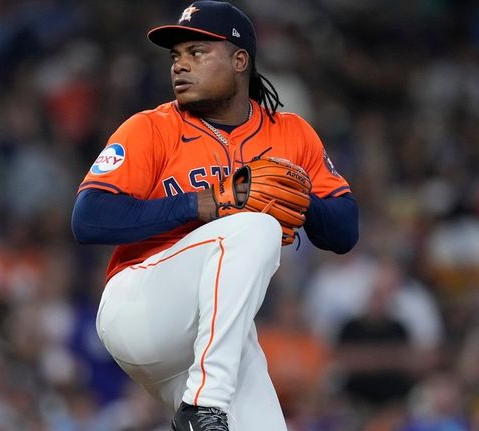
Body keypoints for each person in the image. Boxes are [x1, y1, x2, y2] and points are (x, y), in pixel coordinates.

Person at [71, 2, 358, 430]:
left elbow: (344, 231)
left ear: (240, 60)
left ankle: (204, 405)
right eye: (176, 56)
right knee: (253, 226)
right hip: (142, 306)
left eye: (197, 52)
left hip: (214, 338)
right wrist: (198, 204)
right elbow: (88, 218)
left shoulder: (291, 133)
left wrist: (298, 196)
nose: (180, 66)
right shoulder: (151, 128)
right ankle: (202, 406)